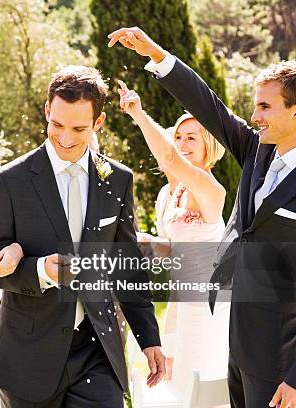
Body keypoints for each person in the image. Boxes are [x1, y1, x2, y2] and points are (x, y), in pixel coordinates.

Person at [108, 26, 296, 407]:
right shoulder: (257, 152)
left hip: (283, 353)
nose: (254, 116)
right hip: (234, 337)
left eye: (265, 107)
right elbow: (208, 105)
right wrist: (155, 53)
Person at [0, 65, 165, 407]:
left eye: (79, 128)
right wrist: (40, 270)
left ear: (98, 123)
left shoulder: (117, 179)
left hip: (97, 350)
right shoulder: (8, 181)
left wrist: (149, 338)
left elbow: (127, 266)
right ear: (47, 110)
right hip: (28, 357)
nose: (66, 138)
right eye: (57, 124)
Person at [118, 82, 230, 393]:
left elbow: (168, 158)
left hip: (208, 303)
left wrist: (138, 114)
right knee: (177, 382)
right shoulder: (173, 192)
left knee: (199, 386)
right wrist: (140, 241)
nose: (181, 143)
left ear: (209, 144)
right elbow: (172, 249)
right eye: (177, 136)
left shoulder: (210, 189)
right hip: (181, 298)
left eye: (191, 138)